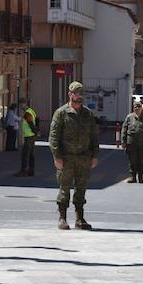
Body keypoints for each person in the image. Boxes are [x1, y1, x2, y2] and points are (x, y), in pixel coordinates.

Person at [49, 81, 99, 230]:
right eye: (77, 94)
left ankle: (80, 218)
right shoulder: (61, 113)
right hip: (66, 158)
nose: (80, 97)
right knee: (64, 189)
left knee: (81, 189)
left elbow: (94, 137)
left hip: (84, 158)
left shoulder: (88, 114)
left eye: (82, 94)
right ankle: (62, 218)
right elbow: (53, 137)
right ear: (70, 94)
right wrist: (57, 157)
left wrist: (95, 155)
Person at [121, 101, 143, 183]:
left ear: (141, 108)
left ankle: (141, 177)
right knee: (132, 161)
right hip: (131, 143)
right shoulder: (129, 117)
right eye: (135, 107)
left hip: (142, 144)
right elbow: (124, 129)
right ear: (133, 108)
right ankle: (133, 177)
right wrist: (123, 142)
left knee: (141, 161)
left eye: (139, 107)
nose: (137, 108)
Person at [15, 98, 38, 177]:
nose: (20, 106)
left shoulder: (27, 113)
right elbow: (36, 120)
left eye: (21, 104)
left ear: (25, 103)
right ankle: (31, 171)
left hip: (29, 137)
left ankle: (24, 171)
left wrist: (35, 132)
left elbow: (31, 123)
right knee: (31, 154)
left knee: (25, 154)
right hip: (31, 136)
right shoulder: (31, 111)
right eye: (20, 104)